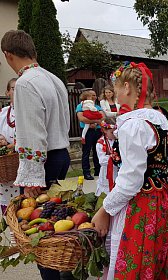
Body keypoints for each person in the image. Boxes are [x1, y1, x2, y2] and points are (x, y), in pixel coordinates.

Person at [92, 61, 168, 280]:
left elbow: (131, 180)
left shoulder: (133, 125)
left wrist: (105, 210)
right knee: (154, 261)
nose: (116, 96)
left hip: (141, 206)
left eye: (117, 89)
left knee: (133, 262)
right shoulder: (159, 120)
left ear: (127, 87)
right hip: (161, 201)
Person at [2, 30, 71, 280]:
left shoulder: (25, 83)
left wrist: (31, 179)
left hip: (44, 161)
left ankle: (51, 276)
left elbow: (33, 134)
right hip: (60, 155)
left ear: (8, 55)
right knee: (57, 222)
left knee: (39, 231)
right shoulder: (52, 78)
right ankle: (63, 272)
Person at [0, 78, 19, 258]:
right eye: (13, 88)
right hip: (7, 165)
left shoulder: (28, 111)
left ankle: (24, 239)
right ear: (7, 92)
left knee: (26, 202)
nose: (16, 91)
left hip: (24, 163)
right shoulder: (3, 113)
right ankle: (14, 241)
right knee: (7, 202)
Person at [76, 89, 104, 180]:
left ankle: (98, 170)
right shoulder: (81, 106)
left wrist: (95, 122)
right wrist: (95, 121)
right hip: (87, 132)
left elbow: (102, 117)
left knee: (98, 151)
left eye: (94, 95)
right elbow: (82, 118)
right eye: (91, 95)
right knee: (86, 152)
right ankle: (86, 172)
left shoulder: (97, 107)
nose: (93, 97)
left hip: (97, 131)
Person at [95, 119, 118, 196]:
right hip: (107, 174)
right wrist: (114, 157)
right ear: (105, 130)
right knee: (105, 195)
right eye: (112, 132)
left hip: (118, 172)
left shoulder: (118, 140)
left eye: (116, 132)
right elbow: (102, 161)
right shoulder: (101, 143)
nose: (114, 134)